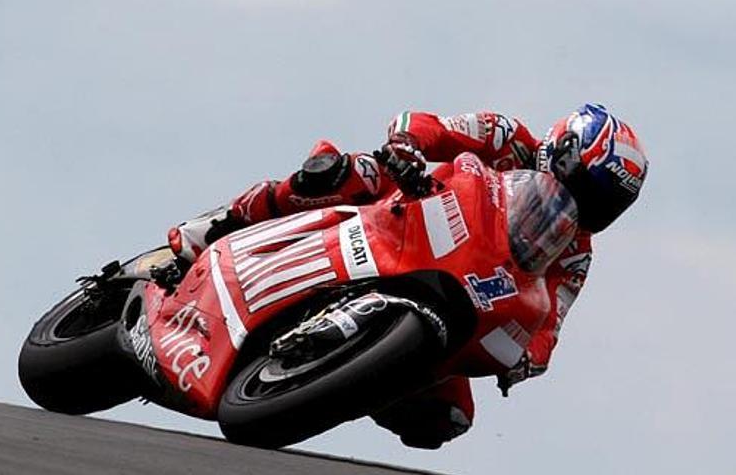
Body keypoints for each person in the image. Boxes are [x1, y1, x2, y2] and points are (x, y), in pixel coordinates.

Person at [167, 104, 648, 448]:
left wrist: (525, 361)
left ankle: (341, 373)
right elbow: (429, 126)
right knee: (345, 173)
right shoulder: (506, 137)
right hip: (409, 212)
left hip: (456, 294)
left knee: (446, 421)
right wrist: (406, 146)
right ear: (564, 150)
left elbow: (551, 324)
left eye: (609, 203)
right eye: (590, 187)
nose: (594, 206)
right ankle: (220, 226)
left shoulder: (575, 253)